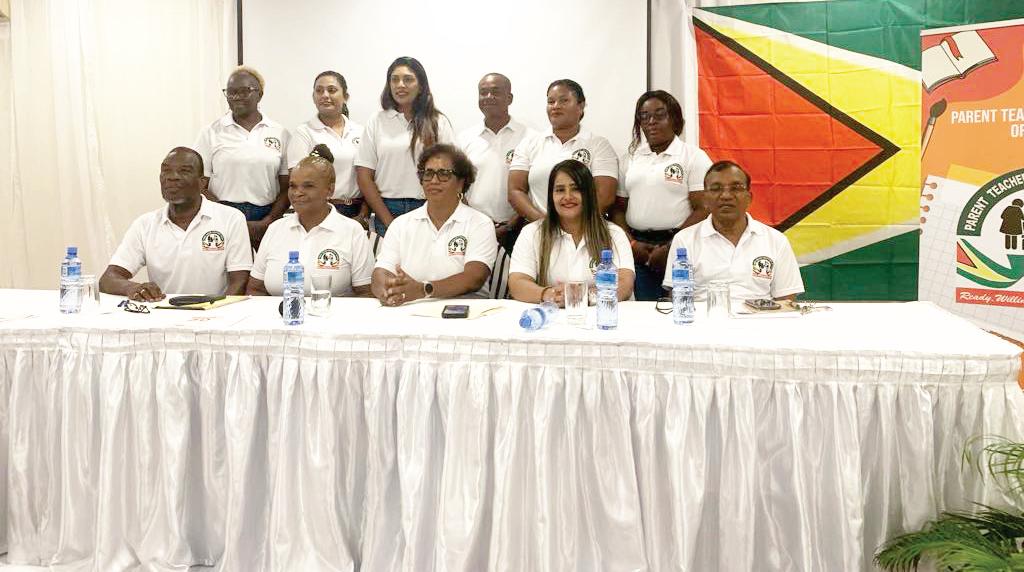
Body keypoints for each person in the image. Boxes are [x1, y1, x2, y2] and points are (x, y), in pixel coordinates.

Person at [99, 147, 252, 301]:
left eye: (184, 171)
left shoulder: (231, 218)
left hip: (215, 311)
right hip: (162, 311)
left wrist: (217, 310)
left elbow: (240, 282)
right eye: (166, 171)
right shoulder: (145, 224)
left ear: (202, 183)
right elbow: (108, 279)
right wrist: (133, 288)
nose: (172, 177)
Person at [612, 90, 713, 301]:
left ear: (674, 118)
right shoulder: (630, 158)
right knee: (644, 310)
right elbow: (618, 208)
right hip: (637, 247)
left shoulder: (693, 156)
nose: (651, 122)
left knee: (679, 307)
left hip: (680, 246)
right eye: (644, 116)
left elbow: (703, 209)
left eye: (660, 115)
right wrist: (631, 244)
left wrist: (671, 246)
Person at [371, 144, 497, 305]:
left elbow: (474, 278)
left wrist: (423, 290)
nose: (434, 180)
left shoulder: (480, 223)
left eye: (444, 174)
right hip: (411, 310)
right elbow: (381, 272)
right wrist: (388, 292)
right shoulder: (401, 224)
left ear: (461, 183)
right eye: (428, 174)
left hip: (464, 311)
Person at [662, 161, 804, 301]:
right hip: (703, 315)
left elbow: (786, 300)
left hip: (760, 315)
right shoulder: (685, 240)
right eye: (716, 189)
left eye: (736, 188)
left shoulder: (776, 241)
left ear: (749, 198)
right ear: (705, 199)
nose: (726, 196)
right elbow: (679, 299)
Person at [247, 144, 373, 297]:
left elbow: (365, 294)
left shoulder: (352, 232)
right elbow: (255, 289)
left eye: (308, 186)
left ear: (330, 190)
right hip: (281, 312)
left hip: (331, 312)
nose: (297, 193)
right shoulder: (275, 229)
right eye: (293, 186)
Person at [508, 160, 634, 305]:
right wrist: (550, 294)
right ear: (551, 196)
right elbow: (517, 282)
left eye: (576, 189)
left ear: (589, 194)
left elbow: (625, 283)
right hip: (555, 314)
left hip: (602, 313)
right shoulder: (532, 233)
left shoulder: (614, 234)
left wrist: (584, 296)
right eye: (560, 190)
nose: (567, 197)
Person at [355, 57, 455, 240]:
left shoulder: (438, 122)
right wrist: (388, 221)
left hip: (429, 207)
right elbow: (364, 176)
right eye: (394, 80)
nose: (400, 85)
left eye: (408, 79)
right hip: (386, 208)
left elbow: (451, 172)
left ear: (421, 86)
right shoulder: (377, 121)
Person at [456, 73, 537, 298]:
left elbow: (533, 186)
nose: (488, 96)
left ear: (510, 98)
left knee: (516, 291)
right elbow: (457, 186)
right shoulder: (464, 139)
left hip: (519, 229)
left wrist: (511, 224)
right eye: (483, 92)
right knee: (476, 290)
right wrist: (481, 223)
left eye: (495, 92)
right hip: (473, 228)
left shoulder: (531, 138)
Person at [193, 66, 290, 249]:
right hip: (222, 215)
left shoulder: (280, 133)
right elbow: (198, 184)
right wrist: (226, 216)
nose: (236, 97)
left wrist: (269, 220)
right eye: (231, 92)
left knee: (265, 267)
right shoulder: (211, 132)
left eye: (244, 91)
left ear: (260, 94)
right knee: (226, 267)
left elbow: (287, 186)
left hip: (266, 218)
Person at [508, 79, 618, 223]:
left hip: (585, 228)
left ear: (581, 105)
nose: (556, 106)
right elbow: (515, 191)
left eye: (564, 100)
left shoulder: (598, 145)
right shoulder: (529, 143)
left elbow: (605, 196)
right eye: (551, 101)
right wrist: (545, 225)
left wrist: (575, 226)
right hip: (538, 227)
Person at [287, 70, 365, 222]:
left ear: (346, 96)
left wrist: (363, 216)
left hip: (357, 211)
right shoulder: (304, 132)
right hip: (320, 210)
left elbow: (369, 178)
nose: (325, 95)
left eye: (332, 90)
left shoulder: (360, 132)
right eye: (319, 91)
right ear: (313, 97)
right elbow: (298, 181)